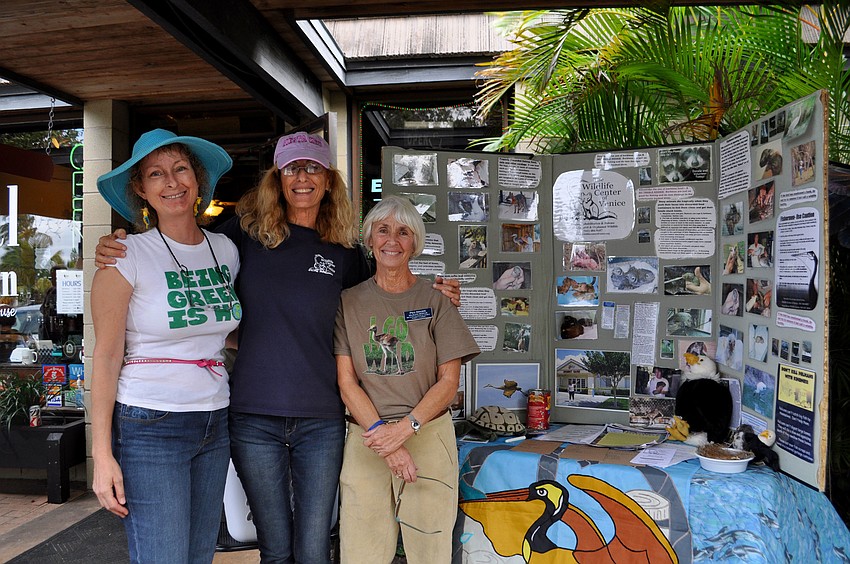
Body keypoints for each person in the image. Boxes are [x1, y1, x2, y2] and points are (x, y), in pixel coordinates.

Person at [95, 132, 461, 563]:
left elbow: (380, 304)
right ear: (277, 178)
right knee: (273, 547)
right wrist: (114, 244)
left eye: (313, 167)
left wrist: (434, 298)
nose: (302, 176)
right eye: (292, 167)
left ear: (328, 181)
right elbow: (179, 249)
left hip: (319, 416)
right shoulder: (240, 239)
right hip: (250, 415)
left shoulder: (343, 252)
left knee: (313, 548)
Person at [90, 129, 240, 563]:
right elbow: (105, 356)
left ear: (197, 178)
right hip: (150, 423)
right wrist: (102, 455)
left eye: (180, 169)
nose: (171, 182)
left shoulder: (226, 250)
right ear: (140, 189)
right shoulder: (124, 255)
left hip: (214, 418)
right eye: (156, 174)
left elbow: (219, 329)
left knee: (198, 555)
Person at [333, 196, 479, 564]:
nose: (392, 240)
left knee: (430, 550)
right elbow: (347, 383)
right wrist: (388, 438)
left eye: (403, 232)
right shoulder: (348, 302)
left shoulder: (437, 299)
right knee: (360, 551)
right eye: (382, 230)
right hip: (367, 436)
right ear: (369, 239)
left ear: (415, 243)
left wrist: (405, 429)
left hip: (428, 434)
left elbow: (448, 382)